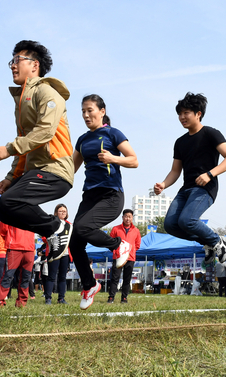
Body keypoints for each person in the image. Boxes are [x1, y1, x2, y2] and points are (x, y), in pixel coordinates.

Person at [0, 40, 74, 263]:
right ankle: (55, 231)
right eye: (12, 61)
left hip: (54, 170)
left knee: (9, 203)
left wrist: (9, 149)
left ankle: (57, 227)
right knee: (2, 209)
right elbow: (25, 143)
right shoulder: (21, 101)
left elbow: (45, 131)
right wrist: (11, 177)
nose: (12, 66)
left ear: (34, 65)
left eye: (17, 60)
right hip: (35, 170)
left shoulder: (47, 92)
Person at [68, 94, 138, 310]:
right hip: (89, 195)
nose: (86, 115)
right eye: (83, 111)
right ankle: (90, 285)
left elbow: (134, 160)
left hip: (111, 194)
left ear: (102, 111)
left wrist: (113, 158)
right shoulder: (82, 139)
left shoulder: (112, 133)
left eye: (90, 110)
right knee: (75, 240)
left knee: (82, 227)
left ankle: (119, 245)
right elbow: (71, 168)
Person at [155, 92, 226, 265]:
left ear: (198, 114)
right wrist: (163, 184)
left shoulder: (211, 133)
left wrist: (209, 174)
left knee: (187, 220)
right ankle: (208, 241)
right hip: (186, 189)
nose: (182, 117)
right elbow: (175, 171)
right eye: (180, 113)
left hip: (205, 187)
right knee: (170, 225)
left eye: (186, 113)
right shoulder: (180, 142)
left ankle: (217, 241)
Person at [0, 223, 36, 307]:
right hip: (14, 247)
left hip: (29, 248)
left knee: (26, 276)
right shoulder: (10, 212)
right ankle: (0, 300)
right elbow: (3, 230)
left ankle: (21, 302)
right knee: (8, 275)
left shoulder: (32, 212)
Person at [107, 209, 142, 304]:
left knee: (127, 278)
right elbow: (110, 242)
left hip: (130, 258)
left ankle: (124, 298)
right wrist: (117, 251)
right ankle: (111, 297)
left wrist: (130, 252)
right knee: (115, 278)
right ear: (122, 217)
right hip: (117, 257)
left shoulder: (136, 231)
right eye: (126, 216)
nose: (128, 218)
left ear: (132, 218)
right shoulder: (115, 229)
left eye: (129, 217)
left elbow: (137, 245)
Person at [44, 204, 72, 305]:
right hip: (53, 253)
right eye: (60, 211)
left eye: (64, 211)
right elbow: (44, 236)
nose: (63, 213)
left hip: (65, 254)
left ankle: (61, 298)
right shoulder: (52, 223)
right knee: (51, 276)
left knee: (63, 277)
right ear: (56, 212)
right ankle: (48, 298)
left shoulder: (69, 225)